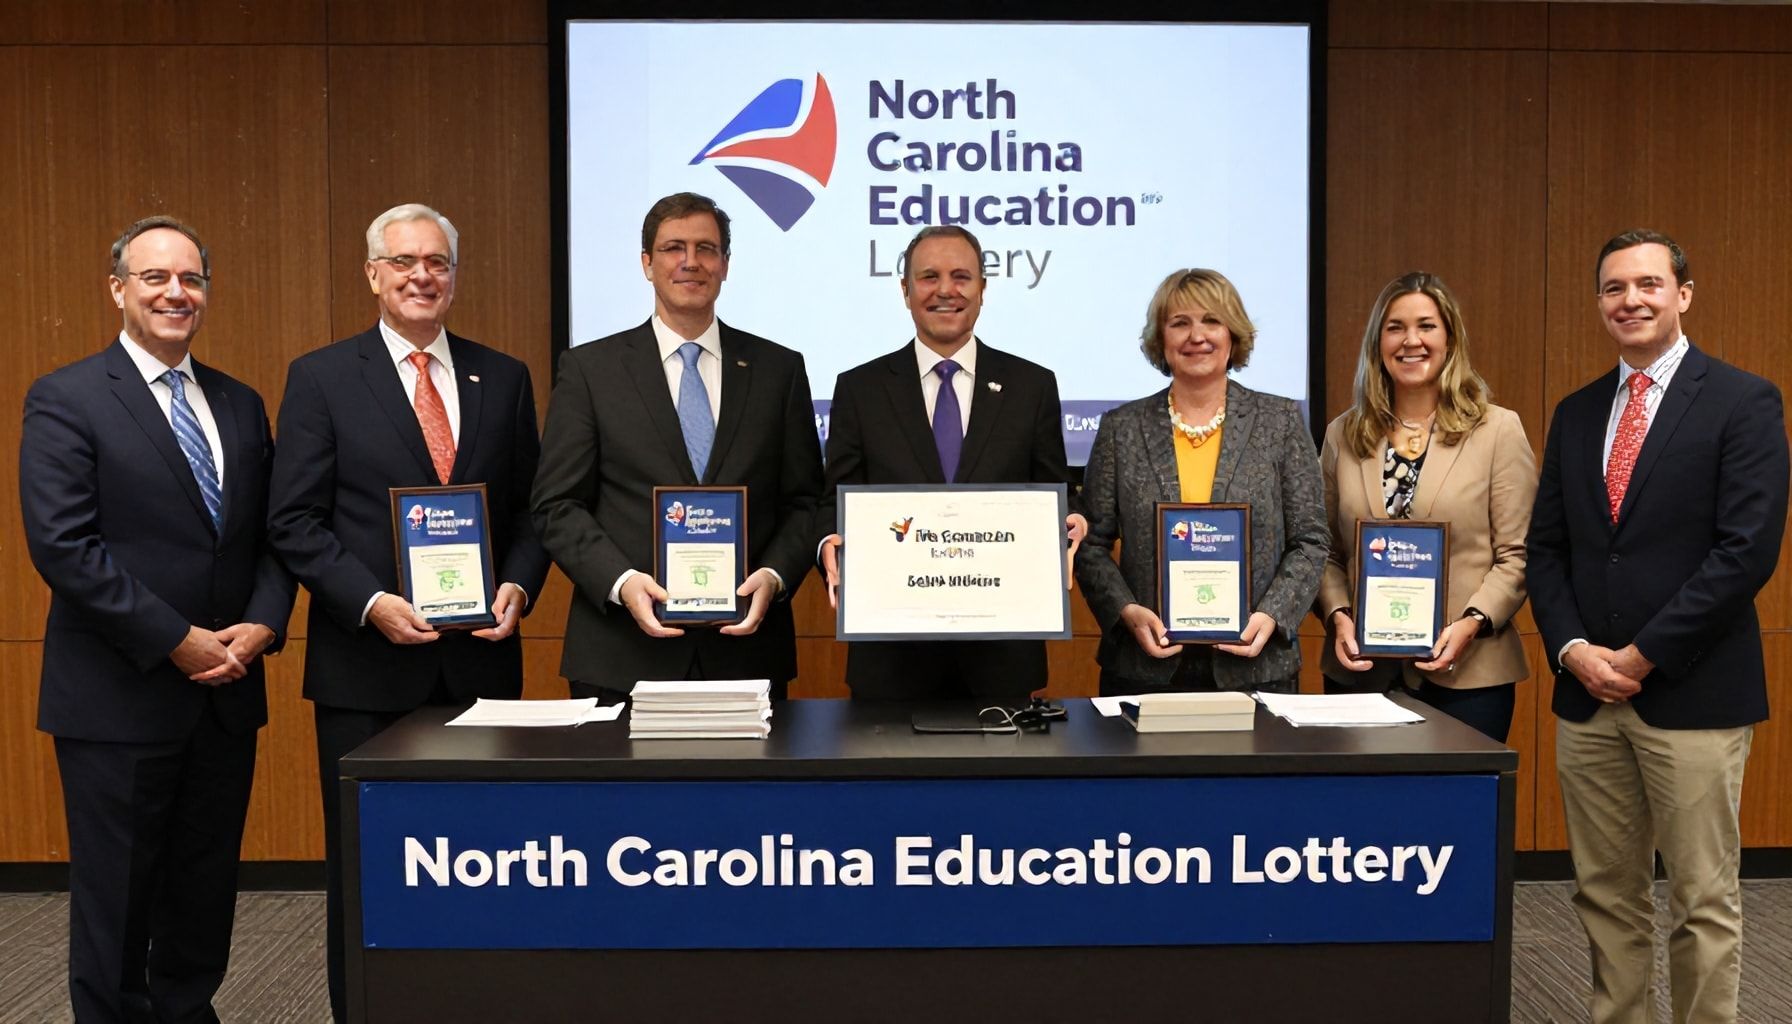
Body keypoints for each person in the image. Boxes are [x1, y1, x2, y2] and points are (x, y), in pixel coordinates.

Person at [266, 203, 549, 1023]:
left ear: (454, 275)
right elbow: (294, 520)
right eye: (403, 262)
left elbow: (532, 511)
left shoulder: (503, 377)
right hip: (366, 671)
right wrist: (370, 601)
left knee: (485, 862)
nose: (422, 276)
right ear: (372, 275)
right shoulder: (322, 377)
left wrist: (518, 586)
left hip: (479, 668)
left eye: (437, 262)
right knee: (370, 869)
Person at [20, 216, 295, 1023]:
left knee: (203, 894)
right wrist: (175, 640)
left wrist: (264, 623)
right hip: (118, 698)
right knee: (117, 902)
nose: (177, 293)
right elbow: (65, 547)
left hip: (226, 692)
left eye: (191, 279)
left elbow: (273, 537)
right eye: (155, 278)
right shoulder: (67, 397)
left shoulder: (240, 403)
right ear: (118, 289)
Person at [1527, 229, 1788, 1024]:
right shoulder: (1577, 413)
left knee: (1703, 898)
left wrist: (1642, 655)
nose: (1630, 300)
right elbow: (1547, 550)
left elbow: (1745, 553)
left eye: (1647, 284)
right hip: (1589, 699)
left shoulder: (1743, 401)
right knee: (1606, 894)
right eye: (1614, 288)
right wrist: (1573, 650)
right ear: (1599, 303)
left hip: (1693, 693)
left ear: (1683, 294)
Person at [532, 192, 824, 701]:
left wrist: (775, 577)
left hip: (746, 650)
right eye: (673, 248)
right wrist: (621, 581)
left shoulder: (779, 371)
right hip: (620, 654)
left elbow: (804, 501)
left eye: (706, 248)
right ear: (647, 263)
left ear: (725, 264)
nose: (691, 261)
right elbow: (557, 504)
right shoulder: (591, 371)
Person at [817, 224, 1085, 701]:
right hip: (892, 660)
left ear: (983, 288)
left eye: (961, 276)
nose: (946, 290)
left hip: (1001, 657)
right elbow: (832, 503)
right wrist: (828, 546)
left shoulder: (1031, 386)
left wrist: (1072, 521)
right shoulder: (861, 389)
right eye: (929, 277)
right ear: (905, 290)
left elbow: (1053, 492)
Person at [1075, 268, 1325, 695]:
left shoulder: (1280, 423)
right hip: (1145, 668)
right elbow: (1092, 544)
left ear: (1233, 334)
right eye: (1180, 323)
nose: (1197, 336)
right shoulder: (1122, 428)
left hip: (1257, 666)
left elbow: (1311, 540)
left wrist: (1272, 615)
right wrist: (1126, 611)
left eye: (1212, 320)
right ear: (1161, 338)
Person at [1316, 272, 1536, 742]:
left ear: (1450, 339)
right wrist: (1338, 615)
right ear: (1377, 342)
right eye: (1395, 327)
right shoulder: (1342, 435)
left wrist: (1473, 622)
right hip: (1361, 673)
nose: (1410, 341)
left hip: (1469, 675)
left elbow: (1518, 553)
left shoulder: (1497, 430)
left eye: (1426, 326)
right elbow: (1325, 551)